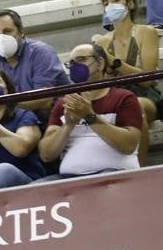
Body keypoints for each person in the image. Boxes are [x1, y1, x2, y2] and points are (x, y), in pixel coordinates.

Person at [37, 43, 142, 179]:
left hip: (113, 174)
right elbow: (46, 154)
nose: (75, 67)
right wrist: (68, 126)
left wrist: (90, 116)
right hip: (68, 178)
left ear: (100, 63)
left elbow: (129, 145)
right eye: (71, 63)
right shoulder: (64, 103)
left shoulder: (124, 98)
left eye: (81, 60)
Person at [93, 0, 160, 165]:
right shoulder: (102, 42)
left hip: (144, 95)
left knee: (136, 107)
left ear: (129, 3)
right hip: (116, 97)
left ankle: (140, 168)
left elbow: (147, 79)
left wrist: (114, 61)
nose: (110, 6)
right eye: (106, 3)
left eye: (115, 0)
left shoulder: (147, 32)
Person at [0, 9, 70, 115]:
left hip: (51, 121)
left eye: (7, 31)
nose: (1, 38)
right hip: (12, 124)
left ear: (21, 32)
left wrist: (4, 105)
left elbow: (44, 100)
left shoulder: (42, 53)